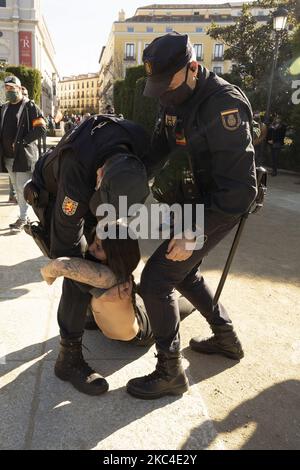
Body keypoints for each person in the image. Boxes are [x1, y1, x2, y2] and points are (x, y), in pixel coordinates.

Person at [126, 32, 258, 400]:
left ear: (194, 67)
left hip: (220, 204)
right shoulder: (172, 98)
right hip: (191, 199)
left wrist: (193, 232)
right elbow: (156, 151)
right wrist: (121, 174)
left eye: (167, 85)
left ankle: (170, 373)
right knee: (185, 273)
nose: (163, 96)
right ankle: (226, 338)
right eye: (158, 88)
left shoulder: (223, 104)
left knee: (156, 280)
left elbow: (240, 190)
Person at [24, 114, 150, 396]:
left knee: (106, 248)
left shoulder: (140, 146)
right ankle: (67, 359)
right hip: (50, 190)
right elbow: (65, 254)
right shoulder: (77, 172)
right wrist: (103, 280)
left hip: (96, 186)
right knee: (83, 260)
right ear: (101, 175)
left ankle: (89, 314)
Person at [40, 223, 195, 347]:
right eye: (94, 242)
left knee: (180, 304)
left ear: (116, 255)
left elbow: (58, 266)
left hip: (143, 329)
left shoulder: (107, 277)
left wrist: (47, 275)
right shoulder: (105, 268)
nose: (91, 247)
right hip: (131, 307)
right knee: (144, 293)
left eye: (99, 247)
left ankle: (192, 284)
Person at [0, 76, 46, 232]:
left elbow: (41, 128)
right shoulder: (4, 108)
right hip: (7, 157)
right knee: (17, 188)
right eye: (6, 88)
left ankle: (24, 217)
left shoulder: (29, 107)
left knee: (21, 188)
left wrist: (23, 141)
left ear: (19, 89)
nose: (9, 91)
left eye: (12, 88)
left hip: (23, 156)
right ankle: (24, 216)